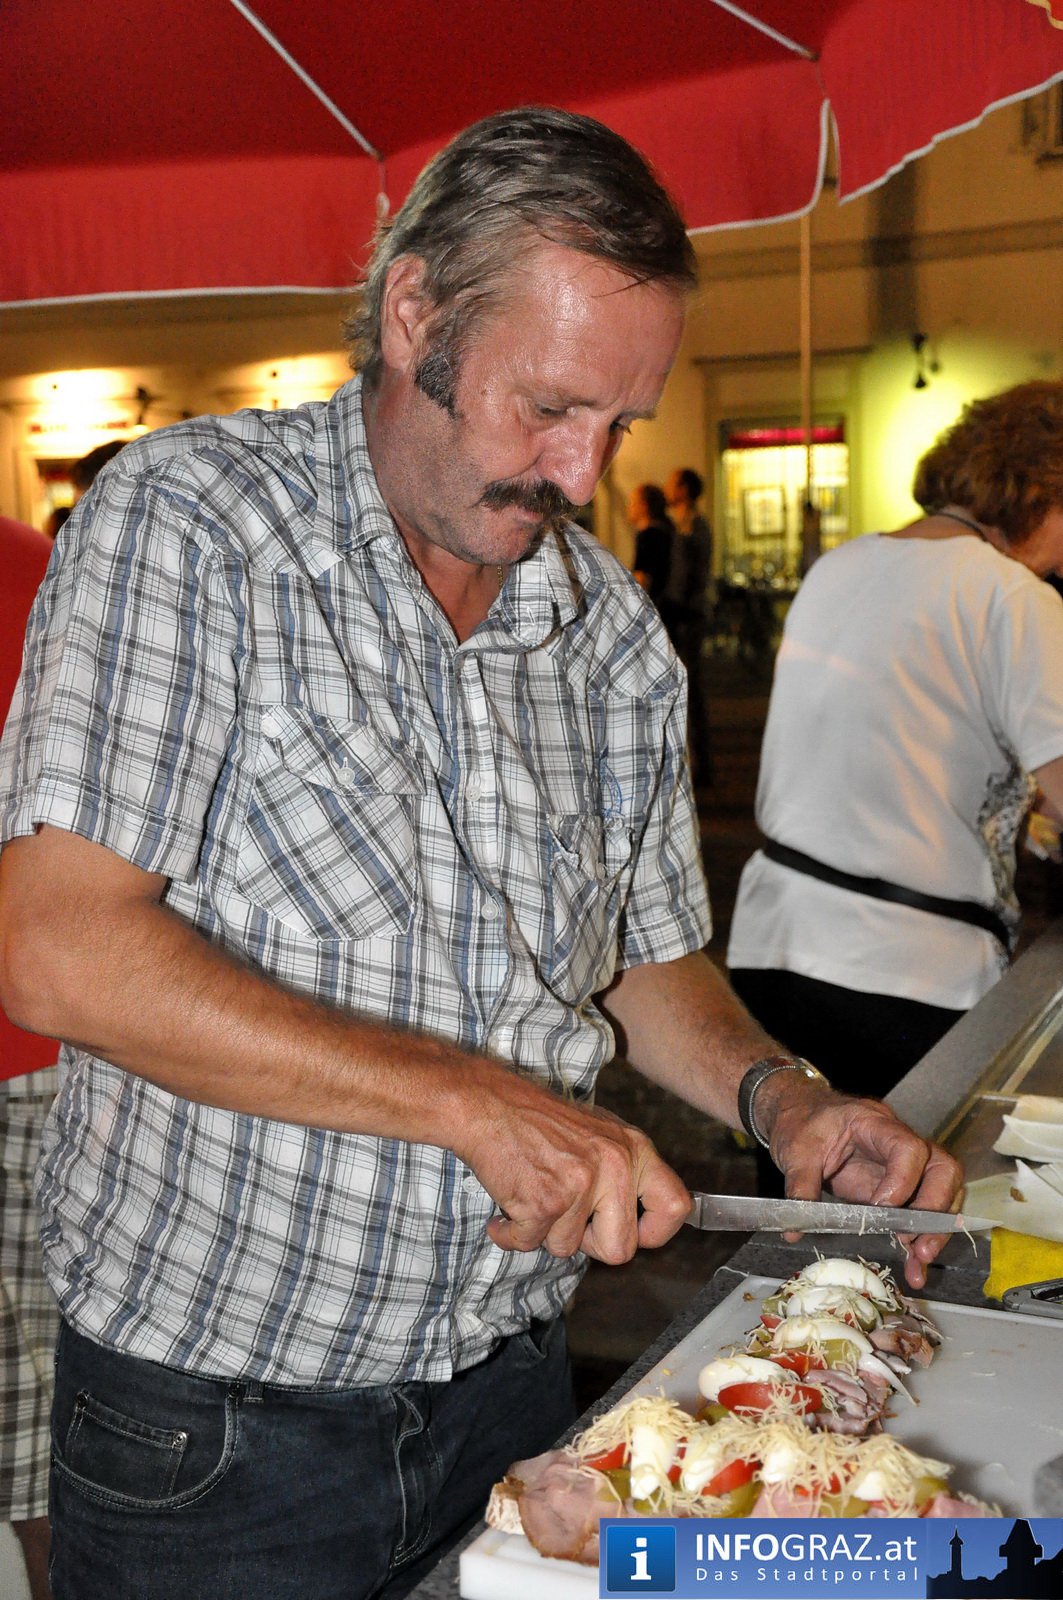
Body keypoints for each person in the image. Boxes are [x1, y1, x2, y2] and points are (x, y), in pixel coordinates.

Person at [0, 107, 960, 1600]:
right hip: (217, 1429)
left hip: (513, 1392)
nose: (580, 470)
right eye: (549, 406)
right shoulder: (194, 526)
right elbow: (56, 947)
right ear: (414, 314)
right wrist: (473, 1103)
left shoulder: (608, 633)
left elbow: (640, 958)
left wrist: (779, 1096)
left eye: (619, 423)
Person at [728, 381, 1063, 1161]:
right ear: (1039, 489)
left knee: (799, 1200)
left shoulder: (840, 566)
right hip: (908, 970)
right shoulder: (1011, 596)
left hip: (775, 946)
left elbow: (884, 753)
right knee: (905, 1195)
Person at [0, 516, 61, 1600]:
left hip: (32, 1060)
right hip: (46, 1050)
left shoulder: (34, 568)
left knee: (47, 1442)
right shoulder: (37, 563)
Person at [663, 467, 713, 786]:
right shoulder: (688, 523)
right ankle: (697, 761)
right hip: (688, 612)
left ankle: (700, 764)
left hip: (688, 615)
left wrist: (675, 605)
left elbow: (688, 575)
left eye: (672, 484)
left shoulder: (692, 524)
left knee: (689, 687)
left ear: (683, 489)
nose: (667, 489)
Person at [628, 481, 675, 610]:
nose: (629, 508)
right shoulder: (666, 531)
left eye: (633, 503)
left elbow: (643, 579)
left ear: (644, 506)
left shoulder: (648, 535)